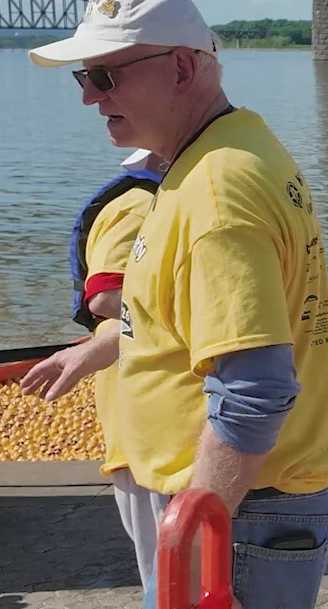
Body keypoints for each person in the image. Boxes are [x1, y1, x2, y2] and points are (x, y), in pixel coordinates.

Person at [25, 1, 328, 607]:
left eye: (106, 77)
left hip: (239, 513)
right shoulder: (230, 149)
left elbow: (255, 391)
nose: (90, 98)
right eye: (84, 77)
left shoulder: (217, 193)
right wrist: (99, 348)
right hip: (245, 502)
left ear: (180, 68)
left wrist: (192, 537)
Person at [21, 148, 161, 601]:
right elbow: (105, 297)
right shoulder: (138, 205)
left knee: (181, 574)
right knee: (172, 575)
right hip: (146, 419)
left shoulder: (163, 199)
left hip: (161, 417)